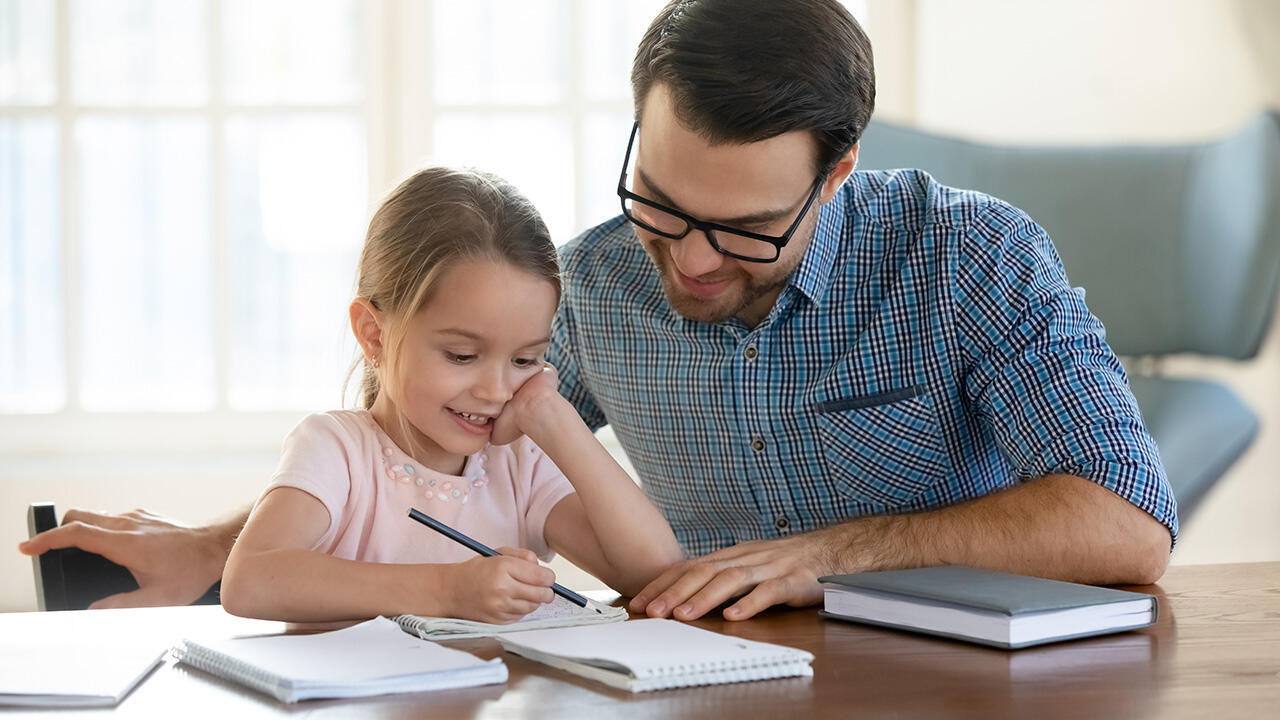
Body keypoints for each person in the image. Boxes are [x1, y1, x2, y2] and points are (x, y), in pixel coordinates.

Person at [21, 0, 1175, 620]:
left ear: (836, 175)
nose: (694, 263)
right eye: (662, 205)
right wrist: (219, 548)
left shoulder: (966, 256)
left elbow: (1127, 522)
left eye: (747, 231)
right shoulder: (594, 282)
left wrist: (827, 556)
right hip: (709, 681)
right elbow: (437, 445)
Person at [216, 166, 681, 623]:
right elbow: (250, 581)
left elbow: (658, 577)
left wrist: (553, 416)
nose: (496, 390)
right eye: (461, 356)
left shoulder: (520, 463)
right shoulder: (337, 450)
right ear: (374, 334)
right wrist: (447, 589)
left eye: (525, 360)